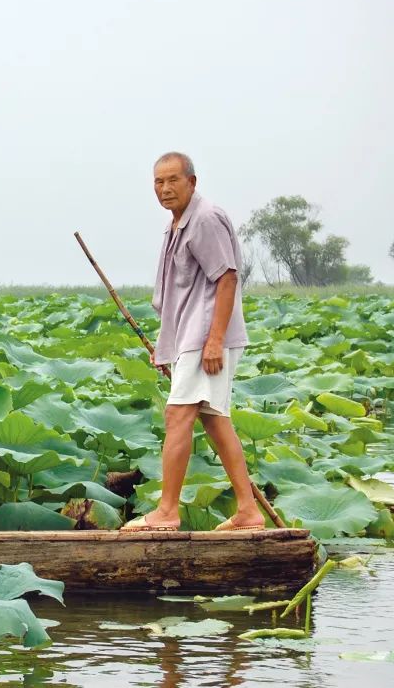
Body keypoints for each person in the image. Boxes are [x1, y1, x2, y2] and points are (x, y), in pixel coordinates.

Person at [122, 152, 265, 532]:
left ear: (192, 182)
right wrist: (166, 345)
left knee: (177, 416)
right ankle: (249, 512)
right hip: (190, 337)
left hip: (205, 338)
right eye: (158, 182)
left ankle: (167, 511)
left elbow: (227, 278)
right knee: (216, 421)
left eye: (173, 180)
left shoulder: (204, 219)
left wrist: (214, 340)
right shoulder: (177, 225)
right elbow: (180, 296)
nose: (165, 189)